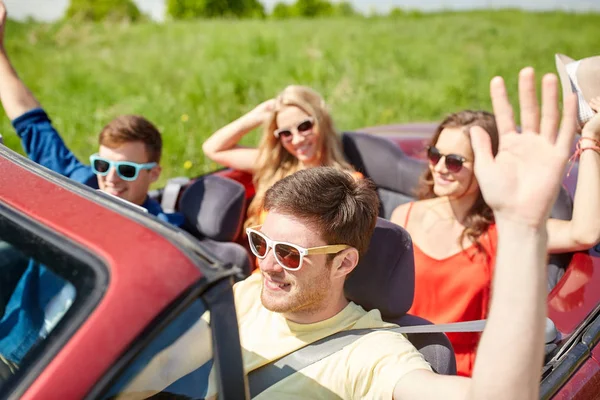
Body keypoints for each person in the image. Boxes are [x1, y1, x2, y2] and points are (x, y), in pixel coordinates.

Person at [113, 67, 579, 400]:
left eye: (291, 255)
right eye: (260, 244)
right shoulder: (245, 291)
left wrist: (520, 228)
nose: (268, 264)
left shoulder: (372, 354)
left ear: (344, 262)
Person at [390, 69, 600, 376]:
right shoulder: (404, 215)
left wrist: (590, 142)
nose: (440, 168)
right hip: (400, 368)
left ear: (486, 166)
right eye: (436, 155)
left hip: (463, 378)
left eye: (455, 162)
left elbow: (585, 232)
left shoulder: (503, 229)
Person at [0, 3, 180, 225]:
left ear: (153, 173)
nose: (110, 179)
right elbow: (31, 122)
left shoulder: (162, 232)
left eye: (126, 170)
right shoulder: (83, 183)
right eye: (102, 166)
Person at [202, 85, 360, 228]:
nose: (297, 139)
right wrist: (255, 116)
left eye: (304, 126)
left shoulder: (348, 182)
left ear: (321, 122)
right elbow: (213, 148)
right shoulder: (276, 166)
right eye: (286, 133)